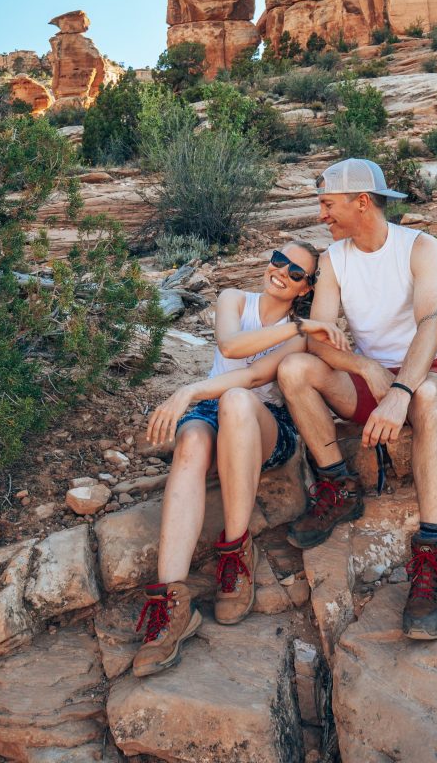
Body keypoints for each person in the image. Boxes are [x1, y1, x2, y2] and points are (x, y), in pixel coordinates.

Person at [132, 241, 348, 677]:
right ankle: (170, 604)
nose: (281, 272)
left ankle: (235, 550)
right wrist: (192, 397)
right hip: (213, 409)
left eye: (296, 272)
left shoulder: (303, 337)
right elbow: (230, 344)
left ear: (306, 288)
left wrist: (189, 389)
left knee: (234, 397)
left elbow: (249, 375)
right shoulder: (233, 298)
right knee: (190, 443)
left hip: (263, 421)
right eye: (279, 260)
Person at [277, 159, 437, 640]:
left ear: (362, 201)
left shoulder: (420, 246)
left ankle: (432, 553)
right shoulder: (335, 258)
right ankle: (337, 488)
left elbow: (430, 323)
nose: (322, 215)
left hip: (427, 372)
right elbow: (318, 338)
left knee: (424, 395)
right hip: (372, 376)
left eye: (327, 204)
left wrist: (400, 392)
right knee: (294, 368)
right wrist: (365, 367)